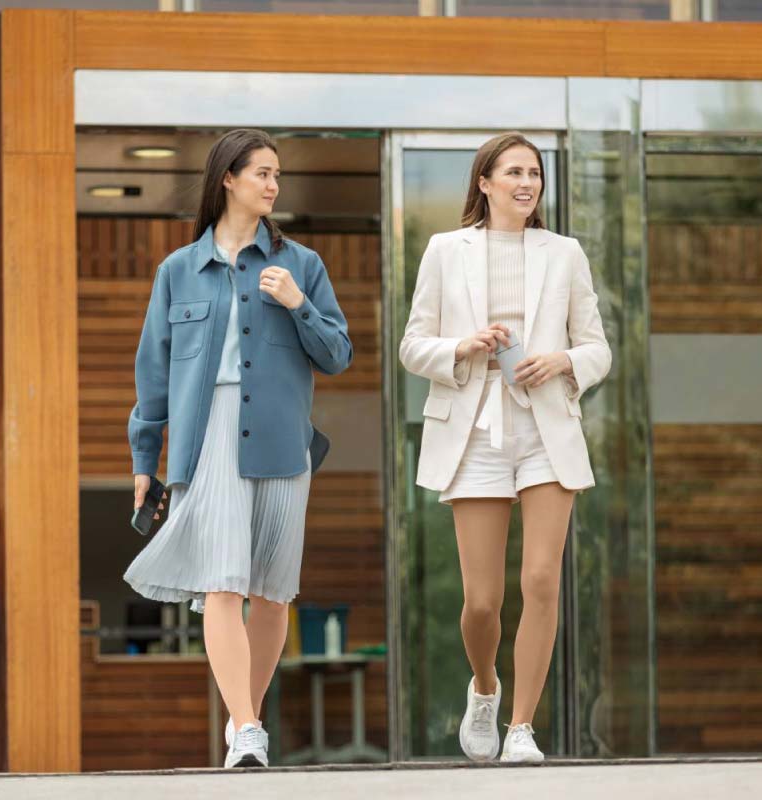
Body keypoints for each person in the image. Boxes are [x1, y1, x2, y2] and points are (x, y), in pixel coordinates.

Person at [121, 128, 352, 769]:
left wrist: (298, 303)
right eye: (262, 173)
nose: (273, 185)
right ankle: (250, 727)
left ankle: (240, 726)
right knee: (223, 583)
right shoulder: (178, 271)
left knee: (273, 591)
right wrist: (147, 463)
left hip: (283, 439)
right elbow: (154, 374)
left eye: (278, 175)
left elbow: (338, 354)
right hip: (209, 436)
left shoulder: (301, 264)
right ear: (228, 179)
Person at [398, 132, 611, 764]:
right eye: (513, 172)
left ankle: (521, 727)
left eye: (535, 174)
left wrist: (563, 360)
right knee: (482, 600)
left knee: (542, 579)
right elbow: (414, 344)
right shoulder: (444, 250)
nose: (527, 183)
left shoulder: (565, 253)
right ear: (484, 182)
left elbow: (599, 347)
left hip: (546, 428)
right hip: (474, 430)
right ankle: (485, 688)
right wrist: (461, 347)